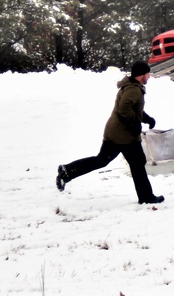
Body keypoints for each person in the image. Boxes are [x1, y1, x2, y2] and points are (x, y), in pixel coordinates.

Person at [55, 60, 164, 205]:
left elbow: (133, 108)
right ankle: (146, 198)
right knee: (137, 163)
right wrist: (135, 125)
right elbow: (124, 110)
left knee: (102, 160)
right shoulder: (133, 90)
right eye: (147, 74)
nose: (149, 76)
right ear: (141, 75)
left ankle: (68, 170)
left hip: (115, 132)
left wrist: (147, 118)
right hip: (124, 136)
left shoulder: (131, 86)